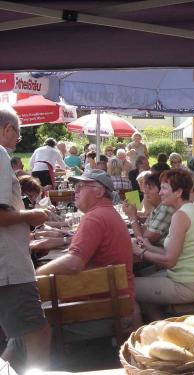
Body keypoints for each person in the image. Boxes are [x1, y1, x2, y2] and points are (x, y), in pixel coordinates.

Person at [36, 169, 138, 329]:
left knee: (30, 321)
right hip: (117, 302)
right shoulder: (106, 213)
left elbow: (73, 263)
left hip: (101, 310)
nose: (75, 190)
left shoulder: (94, 217)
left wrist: (35, 275)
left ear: (99, 191)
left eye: (81, 186)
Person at [0, 109, 51, 371]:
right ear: (8, 129)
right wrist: (36, 214)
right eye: (19, 134)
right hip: (8, 266)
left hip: (8, 264)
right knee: (38, 335)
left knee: (20, 335)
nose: (18, 140)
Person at [132, 170, 194, 308]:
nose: (160, 193)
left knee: (125, 288)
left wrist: (139, 252)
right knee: (136, 282)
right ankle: (157, 325)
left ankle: (154, 327)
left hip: (187, 286)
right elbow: (174, 254)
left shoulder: (180, 216)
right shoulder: (188, 210)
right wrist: (147, 246)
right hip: (192, 280)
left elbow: (169, 261)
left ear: (178, 192)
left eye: (164, 188)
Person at [123, 172, 173, 246]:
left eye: (150, 188)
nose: (146, 192)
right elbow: (147, 227)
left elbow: (143, 242)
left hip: (158, 254)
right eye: (145, 188)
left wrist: (132, 217)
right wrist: (136, 216)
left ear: (161, 191)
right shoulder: (157, 207)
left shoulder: (165, 209)